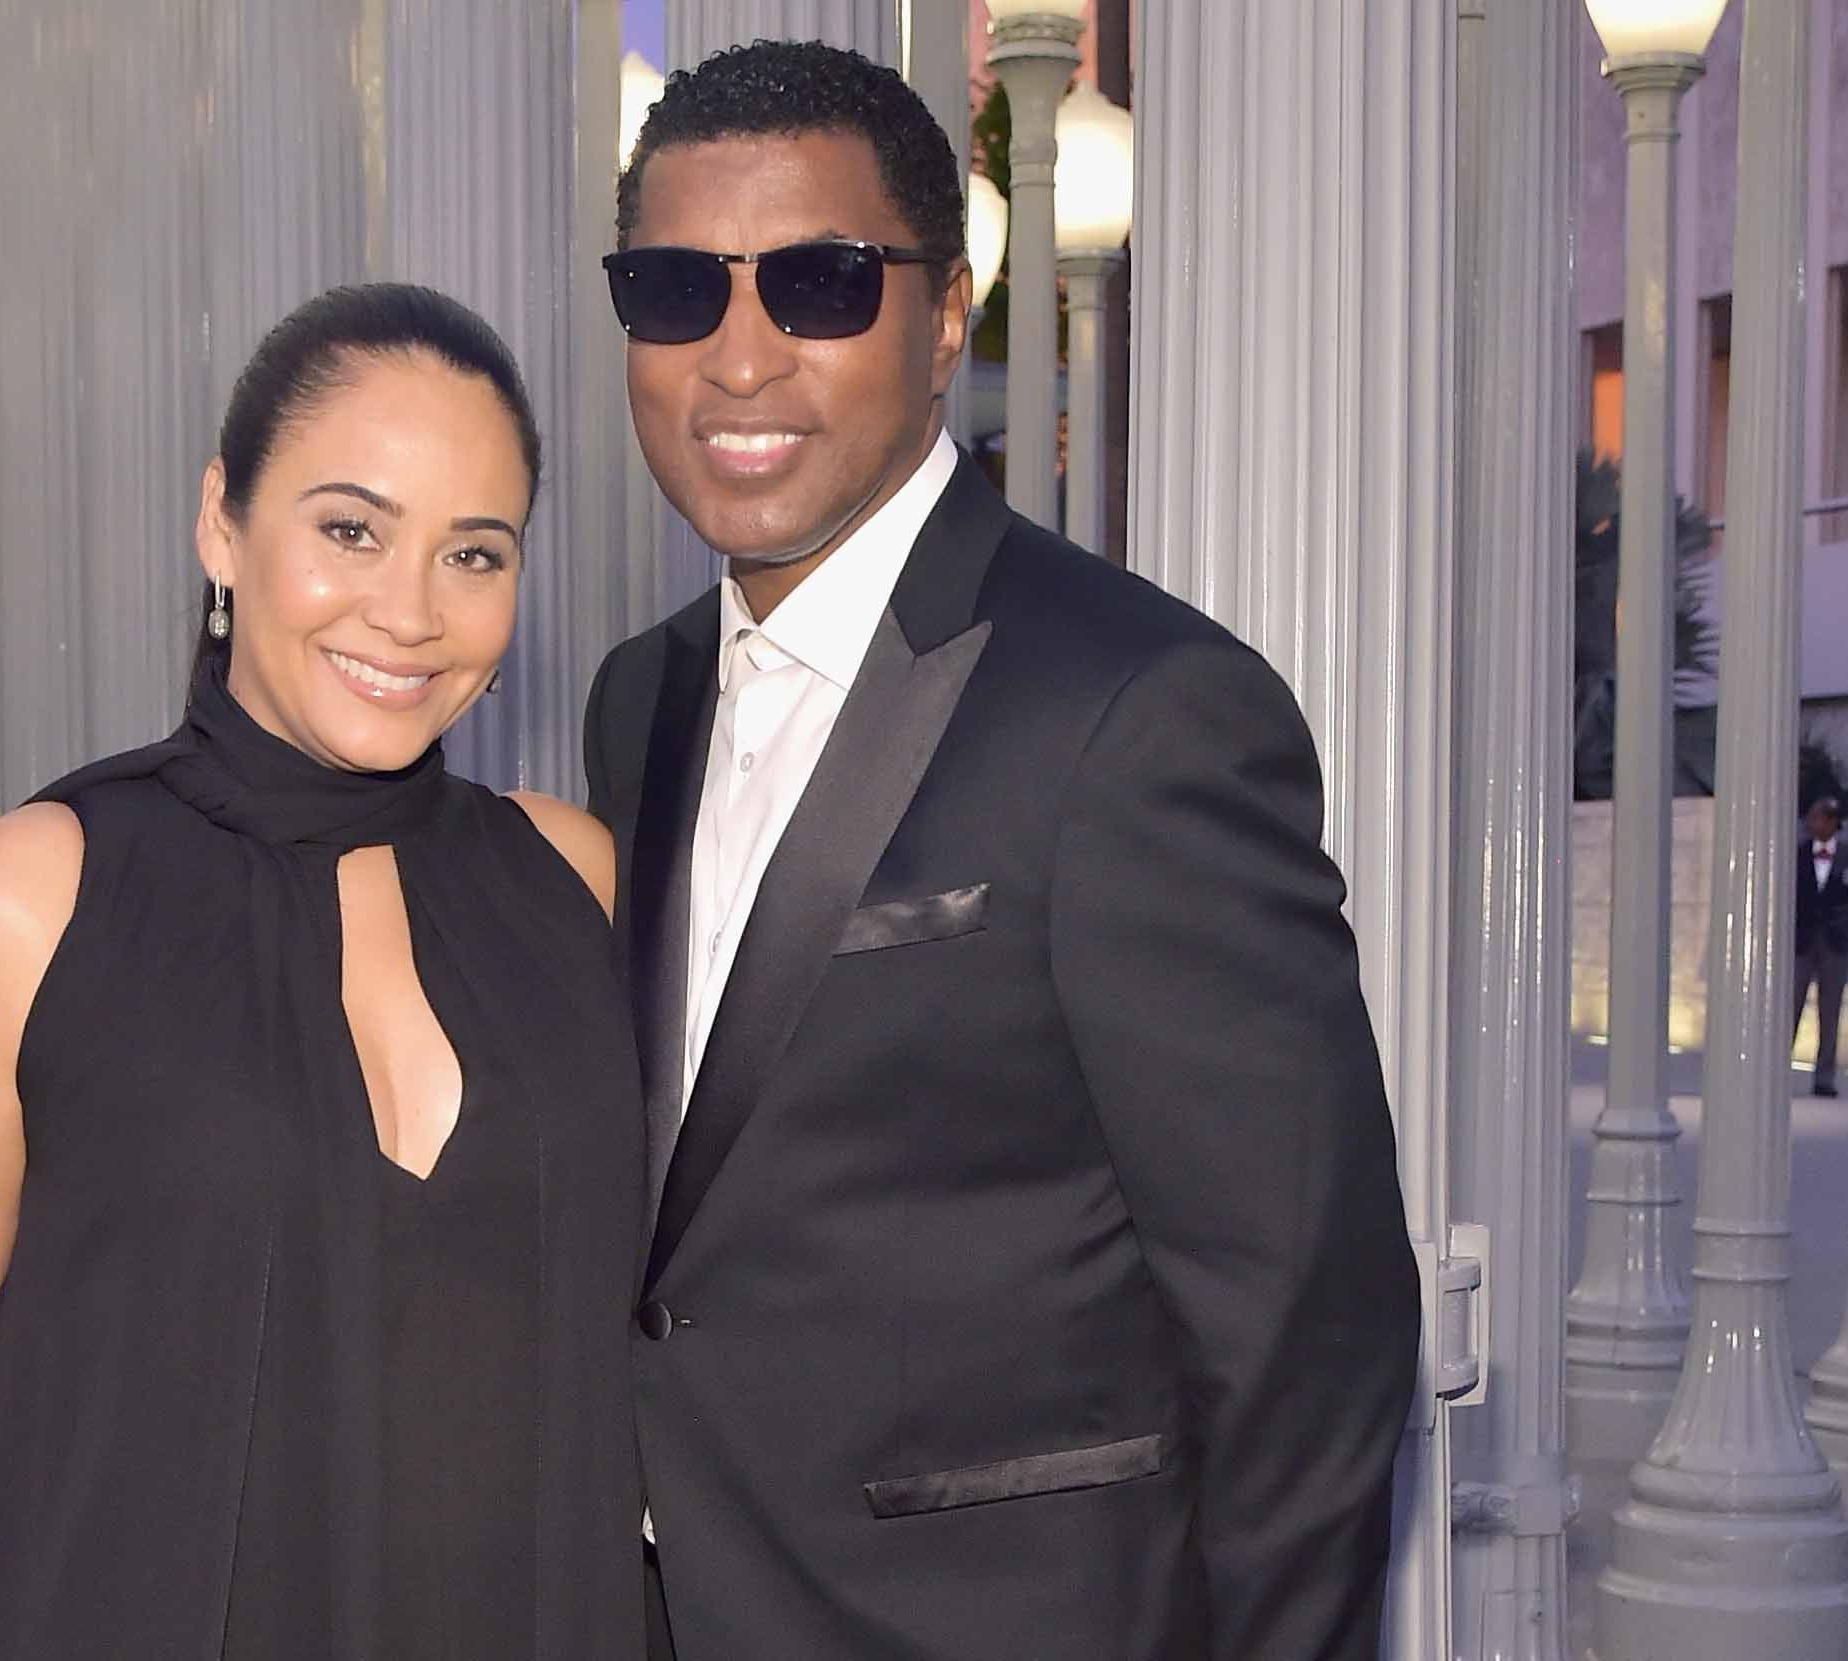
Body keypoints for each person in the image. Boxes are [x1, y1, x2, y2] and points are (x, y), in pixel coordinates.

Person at [585, 42, 1418, 1661]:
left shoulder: (1140, 710)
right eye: (677, 289)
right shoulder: (641, 699)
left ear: (948, 315)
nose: (737, 359)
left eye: (820, 284)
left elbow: (1309, 1334)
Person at [0, 283, 644, 1660]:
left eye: (474, 553)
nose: (409, 611)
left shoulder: (573, 881)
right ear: (223, 521)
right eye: (350, 530)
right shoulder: (24, 907)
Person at [1793, 795, 1848, 1097]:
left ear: (1833, 822)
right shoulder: (1798, 853)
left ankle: (1824, 1077)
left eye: (1819, 818)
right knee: (1791, 1005)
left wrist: (1841, 928)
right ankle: (1777, 1070)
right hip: (1802, 941)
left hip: (1835, 944)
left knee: (1830, 1011)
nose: (1814, 823)